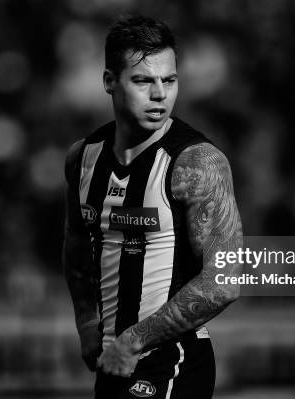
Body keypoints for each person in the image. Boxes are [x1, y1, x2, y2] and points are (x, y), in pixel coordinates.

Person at [63, 14, 243, 399]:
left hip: (173, 358)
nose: (160, 93)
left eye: (170, 80)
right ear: (109, 81)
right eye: (144, 80)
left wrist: (133, 341)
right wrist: (86, 323)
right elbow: (77, 245)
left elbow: (224, 281)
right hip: (113, 361)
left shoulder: (196, 163)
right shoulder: (83, 158)